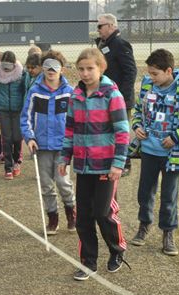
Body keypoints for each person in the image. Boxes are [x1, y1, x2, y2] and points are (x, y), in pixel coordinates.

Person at [129, 49, 179, 256]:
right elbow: (138, 112)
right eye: (149, 73)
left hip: (172, 156)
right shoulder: (148, 88)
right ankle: (144, 226)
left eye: (155, 74)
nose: (151, 78)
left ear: (169, 70)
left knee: (168, 196)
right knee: (145, 192)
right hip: (148, 151)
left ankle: (168, 234)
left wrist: (176, 137)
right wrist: (137, 125)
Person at [59, 48, 129, 281]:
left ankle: (117, 250)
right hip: (83, 166)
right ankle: (88, 262)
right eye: (81, 69)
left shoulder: (112, 95)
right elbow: (70, 130)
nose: (85, 73)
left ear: (101, 68)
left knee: (103, 212)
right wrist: (64, 158)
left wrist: (118, 164)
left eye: (90, 68)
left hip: (107, 167)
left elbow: (122, 132)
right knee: (84, 217)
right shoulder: (75, 97)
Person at [21, 50, 75, 235]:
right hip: (41, 146)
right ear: (42, 68)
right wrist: (30, 137)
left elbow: (76, 119)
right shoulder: (34, 92)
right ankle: (53, 218)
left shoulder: (70, 93)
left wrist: (72, 141)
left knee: (63, 182)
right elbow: (25, 117)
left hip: (62, 147)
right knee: (46, 185)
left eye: (55, 66)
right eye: (47, 66)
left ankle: (71, 213)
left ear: (62, 69)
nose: (51, 70)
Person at [96, 13, 137, 176]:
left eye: (100, 26)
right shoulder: (103, 45)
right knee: (107, 130)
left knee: (121, 130)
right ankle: (109, 160)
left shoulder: (120, 44)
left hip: (120, 99)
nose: (98, 29)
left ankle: (125, 163)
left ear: (112, 26)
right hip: (104, 97)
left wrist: (123, 97)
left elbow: (131, 71)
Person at [0, 50, 26, 179]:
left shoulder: (21, 73)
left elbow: (26, 87)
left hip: (18, 109)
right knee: (6, 138)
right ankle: (8, 167)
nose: (7, 71)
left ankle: (17, 162)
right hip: (3, 109)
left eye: (9, 67)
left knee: (17, 137)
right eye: (5, 67)